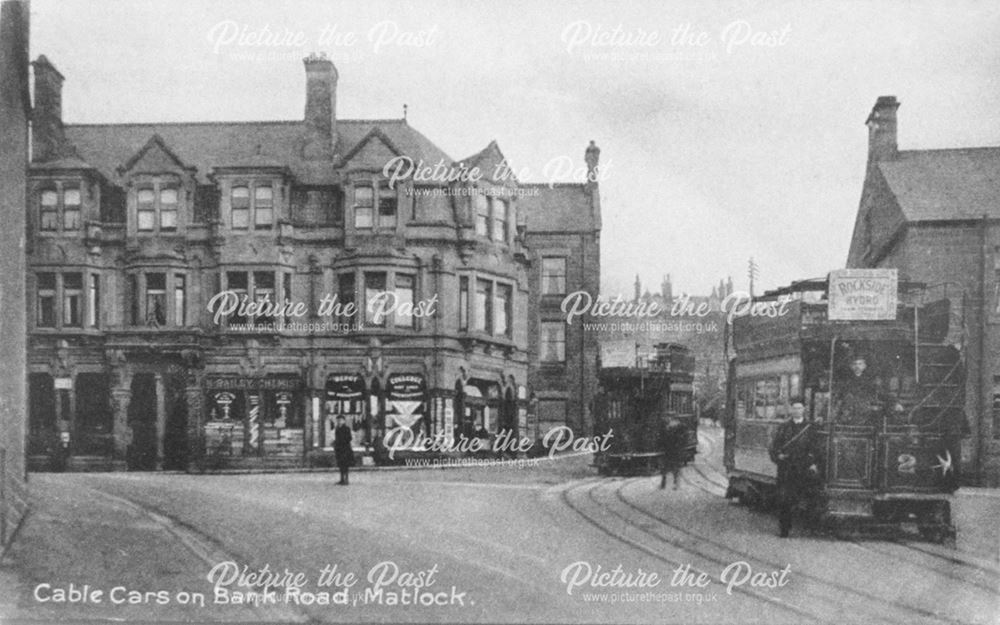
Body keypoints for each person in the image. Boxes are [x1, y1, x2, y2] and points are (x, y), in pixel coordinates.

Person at [769, 398, 820, 537]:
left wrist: (812, 462)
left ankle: (808, 527)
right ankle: (784, 529)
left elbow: (815, 448)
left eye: (800, 408)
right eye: (795, 408)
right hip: (786, 468)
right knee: (785, 499)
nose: (797, 411)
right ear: (791, 410)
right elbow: (774, 447)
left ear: (804, 410)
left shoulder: (810, 428)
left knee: (806, 496)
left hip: (803, 467)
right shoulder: (784, 427)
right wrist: (778, 456)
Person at [658, 418, 686, 490]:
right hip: (675, 451)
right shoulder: (678, 428)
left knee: (665, 468)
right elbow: (681, 440)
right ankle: (675, 484)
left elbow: (662, 441)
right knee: (675, 468)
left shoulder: (666, 429)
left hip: (668, 451)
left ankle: (663, 483)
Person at [333, 415, 354, 485]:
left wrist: (342, 441)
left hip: (345, 449)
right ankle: (342, 479)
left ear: (344, 421)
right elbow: (336, 438)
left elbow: (350, 438)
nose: (339, 422)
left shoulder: (347, 429)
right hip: (339, 449)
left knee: (345, 465)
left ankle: (346, 479)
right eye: (338, 420)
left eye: (341, 420)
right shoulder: (337, 429)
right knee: (340, 464)